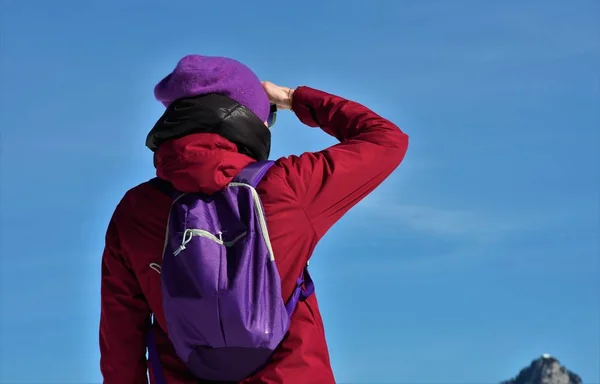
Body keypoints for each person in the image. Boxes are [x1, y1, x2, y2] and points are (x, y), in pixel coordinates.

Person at [100, 55, 409, 384]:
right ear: (245, 118)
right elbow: (385, 139)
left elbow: (121, 336)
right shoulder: (287, 186)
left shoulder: (136, 210)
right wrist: (293, 98)